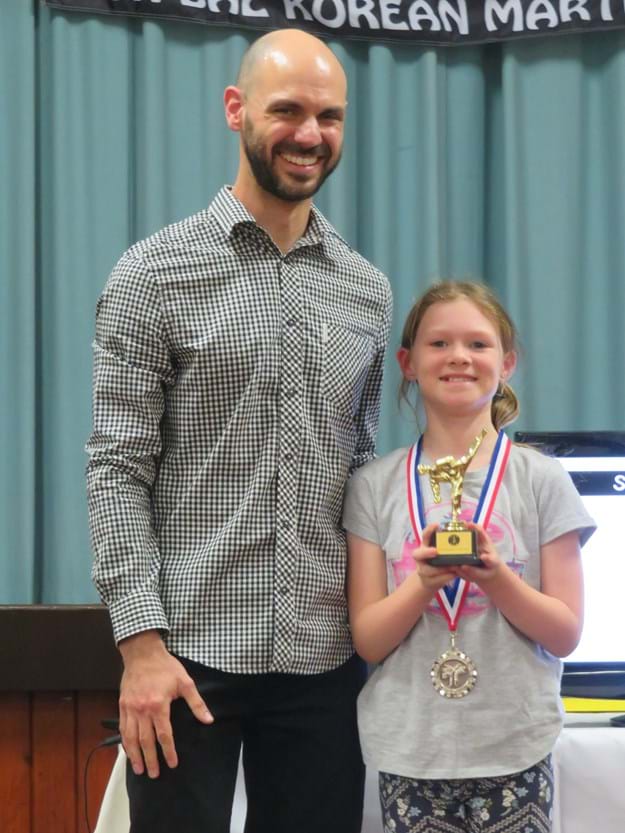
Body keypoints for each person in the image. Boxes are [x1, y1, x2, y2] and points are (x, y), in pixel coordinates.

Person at [86, 28, 392, 833]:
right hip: (186, 657)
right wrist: (139, 647)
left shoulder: (366, 289)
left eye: (329, 115)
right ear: (236, 110)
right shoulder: (153, 273)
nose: (308, 133)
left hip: (325, 661)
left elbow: (359, 464)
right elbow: (116, 467)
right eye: (287, 109)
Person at [342, 281, 594, 833]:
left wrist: (498, 577)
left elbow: (565, 633)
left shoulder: (542, 480)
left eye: (478, 345)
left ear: (507, 363)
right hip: (410, 749)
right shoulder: (373, 487)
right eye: (439, 344)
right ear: (408, 363)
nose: (459, 356)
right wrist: (423, 583)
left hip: (515, 744)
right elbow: (370, 638)